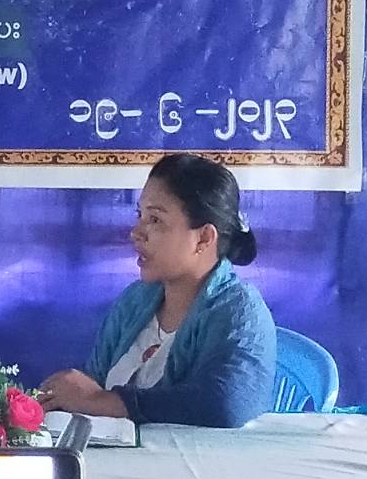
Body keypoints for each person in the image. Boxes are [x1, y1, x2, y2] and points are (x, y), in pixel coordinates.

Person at [38, 154, 274, 427]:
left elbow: (228, 404)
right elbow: (93, 384)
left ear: (203, 238)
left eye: (155, 219)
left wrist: (105, 403)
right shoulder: (135, 301)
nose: (136, 233)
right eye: (140, 215)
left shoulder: (240, 310)